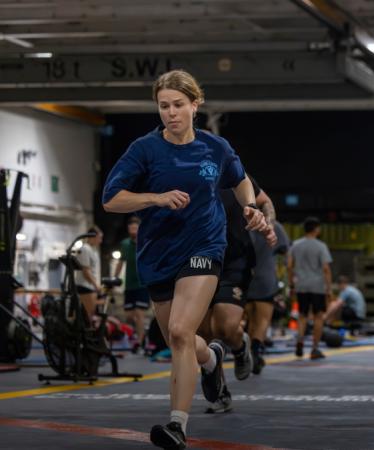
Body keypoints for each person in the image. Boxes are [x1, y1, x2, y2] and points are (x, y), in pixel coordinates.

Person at [102, 69, 266, 449]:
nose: (171, 113)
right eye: (163, 106)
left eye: (178, 105)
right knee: (184, 338)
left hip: (205, 245)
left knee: (178, 332)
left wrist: (251, 207)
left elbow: (240, 179)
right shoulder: (144, 150)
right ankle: (211, 362)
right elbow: (111, 200)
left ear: (196, 104)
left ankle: (177, 425)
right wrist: (155, 198)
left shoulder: (215, 148)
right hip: (157, 254)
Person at [198, 174, 277, 413]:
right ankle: (220, 392)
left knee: (224, 328)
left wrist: (268, 223)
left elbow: (265, 201)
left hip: (234, 261)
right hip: (196, 260)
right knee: (203, 334)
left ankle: (240, 347)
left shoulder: (230, 171)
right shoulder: (179, 175)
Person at [246, 216, 290, 375]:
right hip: (266, 277)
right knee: (263, 320)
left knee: (251, 319)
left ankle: (249, 353)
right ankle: (256, 352)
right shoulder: (275, 226)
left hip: (246, 277)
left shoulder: (244, 224)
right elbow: (284, 252)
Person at [288, 216, 333, 360]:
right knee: (318, 317)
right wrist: (329, 288)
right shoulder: (321, 246)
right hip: (317, 286)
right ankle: (314, 349)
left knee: (302, 316)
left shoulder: (295, 245)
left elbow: (289, 266)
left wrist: (292, 284)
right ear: (316, 229)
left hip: (301, 286)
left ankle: (300, 342)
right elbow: (326, 268)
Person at [114, 216, 150, 353]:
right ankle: (140, 334)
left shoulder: (145, 242)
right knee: (129, 316)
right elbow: (120, 262)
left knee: (139, 314)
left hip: (142, 284)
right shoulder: (124, 244)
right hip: (129, 285)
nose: (133, 229)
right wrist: (115, 278)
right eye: (131, 227)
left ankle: (140, 342)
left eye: (135, 227)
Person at [74, 225, 104, 324]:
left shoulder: (93, 251)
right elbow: (86, 271)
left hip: (91, 286)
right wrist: (96, 286)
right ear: (92, 237)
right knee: (90, 316)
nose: (100, 241)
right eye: (99, 238)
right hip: (85, 286)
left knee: (93, 315)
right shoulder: (85, 249)